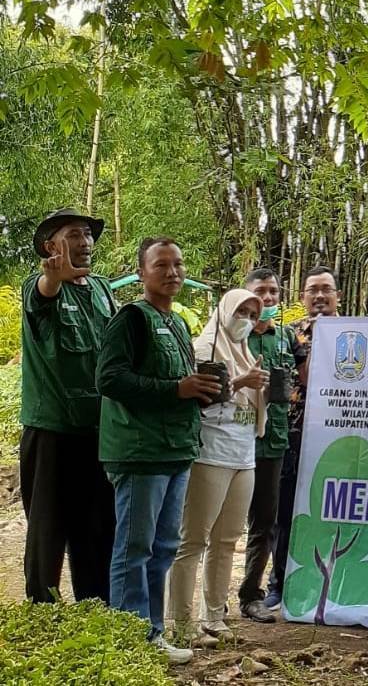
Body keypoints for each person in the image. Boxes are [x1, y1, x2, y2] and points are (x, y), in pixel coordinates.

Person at [97, 237, 220, 664]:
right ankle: (128, 642)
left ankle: (151, 634)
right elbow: (109, 379)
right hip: (140, 452)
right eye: (161, 265)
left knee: (164, 546)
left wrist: (199, 391)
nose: (172, 272)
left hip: (176, 450)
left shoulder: (178, 323)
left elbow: (178, 383)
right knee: (134, 549)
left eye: (178, 264)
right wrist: (175, 389)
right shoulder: (131, 319)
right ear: (142, 273)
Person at [19, 208, 118, 604]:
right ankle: (42, 615)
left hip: (99, 432)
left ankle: (95, 611)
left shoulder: (102, 290)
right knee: (47, 530)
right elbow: (42, 295)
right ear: (51, 246)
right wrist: (53, 278)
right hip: (52, 432)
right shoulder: (40, 285)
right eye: (75, 234)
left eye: (88, 235)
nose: (86, 242)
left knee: (97, 530)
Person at [170, 290, 269, 644]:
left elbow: (251, 402)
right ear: (225, 311)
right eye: (241, 311)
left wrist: (262, 388)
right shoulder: (204, 349)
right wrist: (242, 382)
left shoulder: (246, 353)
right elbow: (201, 400)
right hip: (210, 453)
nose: (247, 319)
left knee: (226, 540)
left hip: (243, 455)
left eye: (253, 315)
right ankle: (181, 622)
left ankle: (213, 616)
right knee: (193, 540)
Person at [237, 268, 302, 622]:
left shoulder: (288, 337)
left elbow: (308, 377)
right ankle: (208, 602)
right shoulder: (233, 334)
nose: (268, 298)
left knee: (264, 523)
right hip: (235, 440)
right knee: (220, 524)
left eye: (274, 292)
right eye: (261, 291)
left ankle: (251, 595)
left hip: (273, 442)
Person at [264, 266, 330, 609]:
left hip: (339, 436)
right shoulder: (287, 334)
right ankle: (278, 582)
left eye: (326, 289)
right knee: (284, 510)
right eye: (312, 289)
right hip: (292, 432)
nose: (319, 296)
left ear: (337, 296)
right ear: (302, 296)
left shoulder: (357, 331)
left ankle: (329, 582)